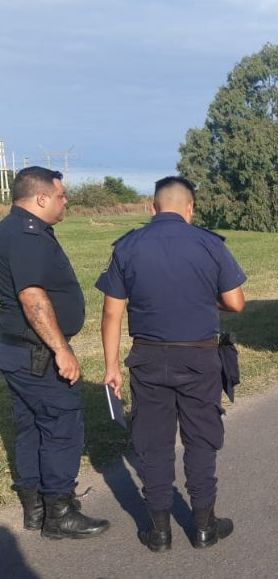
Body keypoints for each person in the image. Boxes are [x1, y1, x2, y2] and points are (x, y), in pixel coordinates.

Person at [96, 176, 246, 552]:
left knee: (153, 443)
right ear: (190, 209)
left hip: (147, 359)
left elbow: (111, 313)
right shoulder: (210, 245)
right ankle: (204, 526)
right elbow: (237, 302)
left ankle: (159, 530)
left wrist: (111, 366)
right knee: (200, 441)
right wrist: (201, 301)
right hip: (199, 357)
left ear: (152, 207)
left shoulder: (128, 246)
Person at [0, 166, 109, 539]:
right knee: (62, 424)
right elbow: (32, 298)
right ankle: (59, 513)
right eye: (61, 196)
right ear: (41, 198)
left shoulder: (11, 230)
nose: (66, 201)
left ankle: (35, 508)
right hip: (38, 353)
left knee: (30, 425)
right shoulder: (28, 236)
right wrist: (62, 350)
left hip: (16, 351)